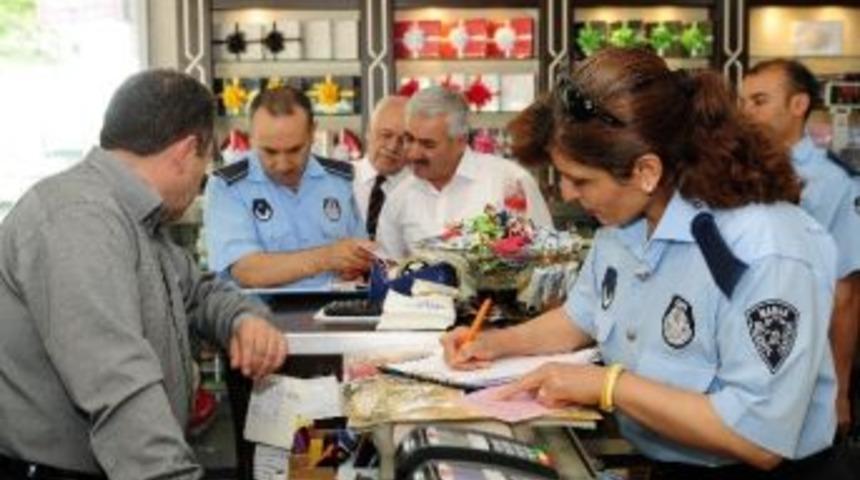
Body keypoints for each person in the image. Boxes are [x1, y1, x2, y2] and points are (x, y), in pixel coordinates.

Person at [442, 48, 848, 478]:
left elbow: (757, 436)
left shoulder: (764, 249)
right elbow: (580, 318)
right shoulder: (622, 228)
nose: (566, 195)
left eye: (581, 180)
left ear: (646, 171)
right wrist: (493, 343)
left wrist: (609, 386)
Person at [0, 69, 287, 479]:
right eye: (205, 163)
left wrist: (242, 320)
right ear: (188, 150)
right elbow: (117, 386)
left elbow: (201, 292)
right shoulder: (80, 222)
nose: (202, 179)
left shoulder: (136, 220)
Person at [741, 58, 860, 435]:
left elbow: (846, 295)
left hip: (806, 369)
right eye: (742, 102)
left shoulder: (835, 182)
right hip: (743, 362)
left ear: (798, 105)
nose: (746, 113)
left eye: (759, 101)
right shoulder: (732, 173)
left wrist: (839, 391)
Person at [204, 86, 373, 288]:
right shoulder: (227, 187)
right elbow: (248, 271)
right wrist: (327, 257)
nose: (283, 164)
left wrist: (356, 265)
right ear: (252, 138)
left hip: (335, 311)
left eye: (294, 150)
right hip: (261, 315)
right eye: (270, 151)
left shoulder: (339, 180)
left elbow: (361, 255)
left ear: (312, 133)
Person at [375, 86, 553, 259]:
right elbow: (389, 270)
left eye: (428, 144)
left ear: (460, 141)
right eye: (409, 139)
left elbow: (549, 258)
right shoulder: (399, 197)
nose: (413, 153)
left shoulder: (509, 182)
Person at [353, 95, 410, 240]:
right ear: (368, 132)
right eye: (386, 135)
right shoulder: (337, 181)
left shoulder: (421, 190)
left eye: (403, 140)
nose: (392, 147)